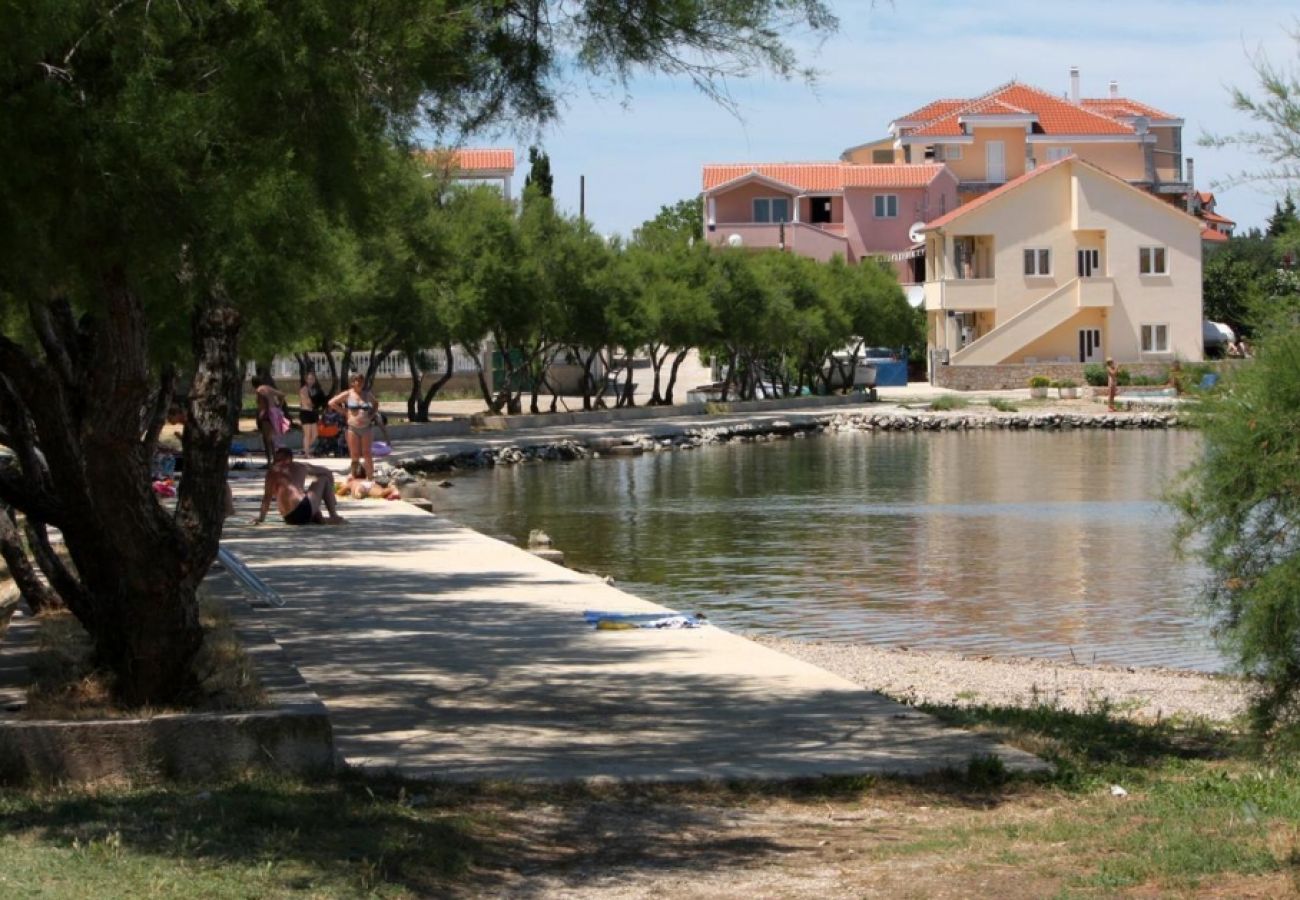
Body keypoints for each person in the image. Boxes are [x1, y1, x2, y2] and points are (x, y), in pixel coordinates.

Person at [252, 447, 344, 526]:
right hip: (303, 508)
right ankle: (333, 515)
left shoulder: (271, 472)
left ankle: (317, 516)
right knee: (323, 479)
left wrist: (261, 518)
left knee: (306, 495)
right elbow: (327, 472)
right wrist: (332, 499)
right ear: (290, 459)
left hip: (289, 518)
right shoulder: (300, 466)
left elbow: (267, 497)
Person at [329, 373, 379, 479]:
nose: (359, 383)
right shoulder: (348, 394)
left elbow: (376, 404)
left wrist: (372, 415)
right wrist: (344, 412)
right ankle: (354, 476)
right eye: (357, 381)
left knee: (367, 453)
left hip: (366, 427)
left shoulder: (367, 394)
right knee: (354, 454)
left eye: (361, 381)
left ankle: (370, 477)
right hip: (353, 427)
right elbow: (332, 402)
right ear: (352, 382)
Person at [251, 376, 290, 466]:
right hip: (275, 413)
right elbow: (282, 395)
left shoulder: (259, 390)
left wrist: (261, 414)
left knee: (266, 439)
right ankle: (274, 460)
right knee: (271, 439)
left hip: (267, 414)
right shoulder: (268, 388)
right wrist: (279, 406)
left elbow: (262, 403)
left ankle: (269, 461)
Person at [298, 371, 328, 458]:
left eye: (313, 379)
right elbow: (308, 403)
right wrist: (315, 402)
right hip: (305, 413)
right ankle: (306, 453)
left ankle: (305, 449)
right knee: (307, 434)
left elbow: (319, 401)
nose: (311, 380)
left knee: (315, 434)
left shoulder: (315, 390)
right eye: (309, 379)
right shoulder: (304, 389)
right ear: (306, 380)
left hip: (313, 413)